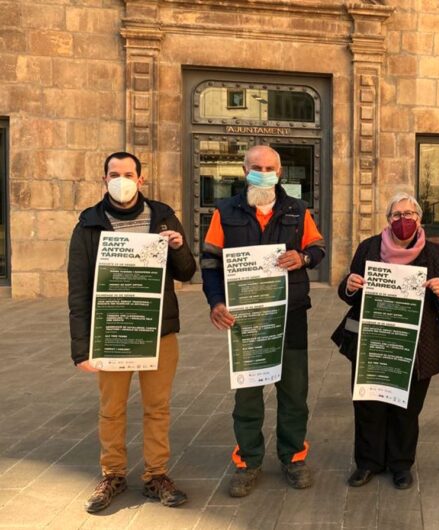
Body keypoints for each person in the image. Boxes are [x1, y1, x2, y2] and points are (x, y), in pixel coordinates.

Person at [68, 151, 196, 513]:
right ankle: (113, 474)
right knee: (111, 408)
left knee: (158, 407)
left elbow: (187, 272)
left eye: (128, 174)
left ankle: (156, 474)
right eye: (114, 174)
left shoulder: (163, 216)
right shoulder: (89, 225)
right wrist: (81, 348)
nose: (121, 180)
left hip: (159, 330)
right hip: (112, 330)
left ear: (141, 179)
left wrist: (178, 247)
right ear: (104, 179)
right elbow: (78, 289)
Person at [201, 145, 326, 497]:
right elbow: (209, 262)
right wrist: (216, 301)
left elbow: (318, 248)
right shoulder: (224, 211)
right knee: (248, 394)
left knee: (294, 392)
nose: (263, 173)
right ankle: (248, 460)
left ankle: (293, 456)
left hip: (291, 314)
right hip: (246, 318)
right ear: (244, 171)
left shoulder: (298, 210)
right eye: (256, 167)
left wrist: (303, 257)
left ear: (280, 172)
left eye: (270, 168)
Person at [331, 192, 439, 489]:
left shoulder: (434, 254)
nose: (403, 220)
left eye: (409, 214)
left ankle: (401, 464)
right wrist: (349, 286)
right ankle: (368, 462)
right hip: (374, 339)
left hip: (418, 343)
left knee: (407, 408)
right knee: (369, 404)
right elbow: (347, 292)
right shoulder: (369, 247)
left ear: (419, 218)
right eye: (397, 214)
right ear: (388, 219)